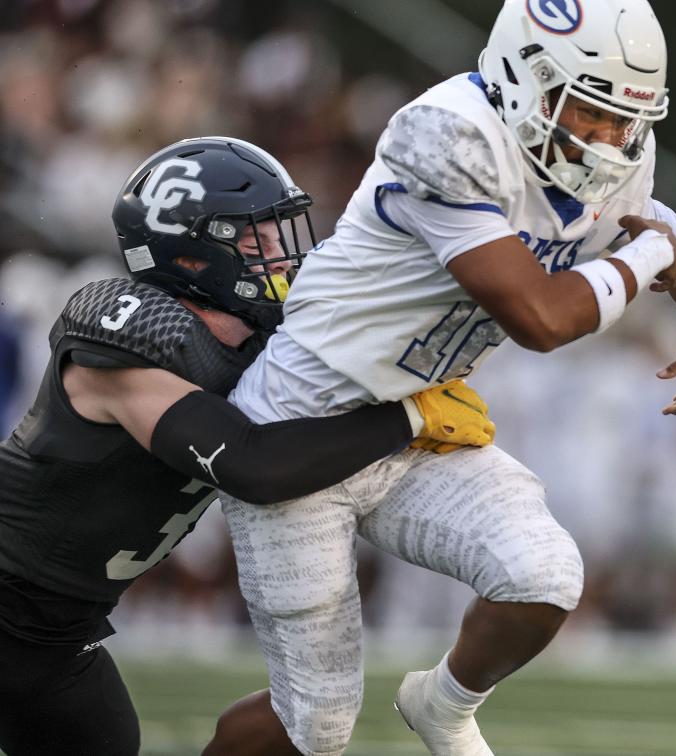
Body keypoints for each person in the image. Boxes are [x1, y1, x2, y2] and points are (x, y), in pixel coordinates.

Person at [219, 1, 676, 754]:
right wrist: (646, 257)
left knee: (544, 578)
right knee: (312, 725)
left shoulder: (613, 151)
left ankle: (442, 705)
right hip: (299, 430)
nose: (609, 141)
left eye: (623, 120)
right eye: (590, 113)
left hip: (416, 427)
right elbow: (541, 318)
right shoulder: (447, 134)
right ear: (524, 76)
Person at [0, 136, 496, 756]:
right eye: (255, 240)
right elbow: (251, 463)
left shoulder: (260, 347)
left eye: (280, 235)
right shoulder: (129, 336)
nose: (282, 258)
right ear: (189, 254)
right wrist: (407, 417)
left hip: (54, 638)